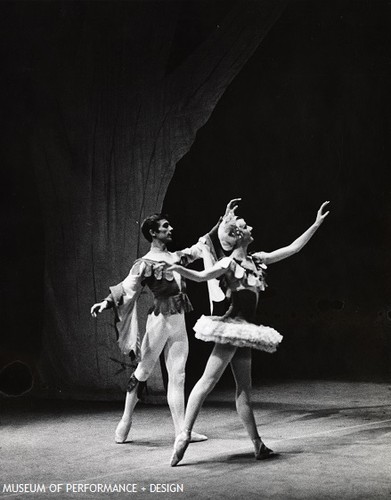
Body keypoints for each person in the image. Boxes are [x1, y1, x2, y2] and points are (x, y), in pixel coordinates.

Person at [168, 201, 330, 466]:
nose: (251, 227)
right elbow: (200, 276)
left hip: (245, 331)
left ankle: (258, 445)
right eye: (245, 226)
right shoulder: (228, 263)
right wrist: (180, 270)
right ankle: (183, 435)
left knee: (244, 389)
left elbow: (293, 249)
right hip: (231, 328)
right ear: (237, 235)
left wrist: (315, 224)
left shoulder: (258, 260)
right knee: (207, 382)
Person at [90, 200, 240, 444]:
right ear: (153, 232)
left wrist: (222, 220)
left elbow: (202, 244)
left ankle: (182, 431)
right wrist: (105, 303)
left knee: (178, 375)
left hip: (178, 322)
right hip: (159, 322)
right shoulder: (144, 264)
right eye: (165, 227)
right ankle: (126, 420)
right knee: (143, 370)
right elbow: (126, 288)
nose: (170, 229)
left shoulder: (175, 257)